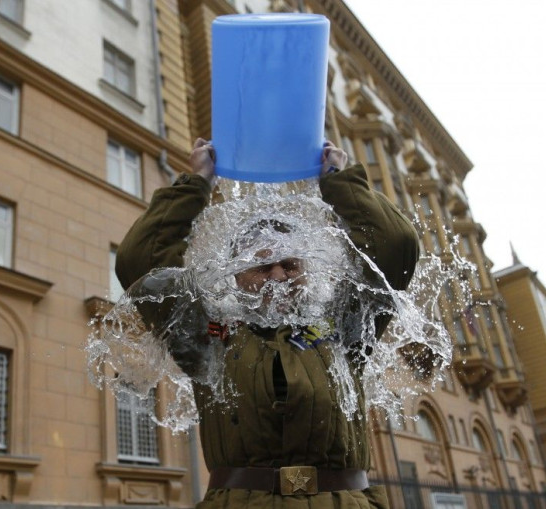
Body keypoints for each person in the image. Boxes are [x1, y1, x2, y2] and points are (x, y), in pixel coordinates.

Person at [116, 138, 420, 509]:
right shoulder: (210, 336)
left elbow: (394, 247)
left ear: (306, 272)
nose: (278, 275)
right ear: (236, 275)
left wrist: (338, 180)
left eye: (290, 264)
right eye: (262, 266)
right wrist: (197, 183)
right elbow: (141, 264)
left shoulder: (342, 327)